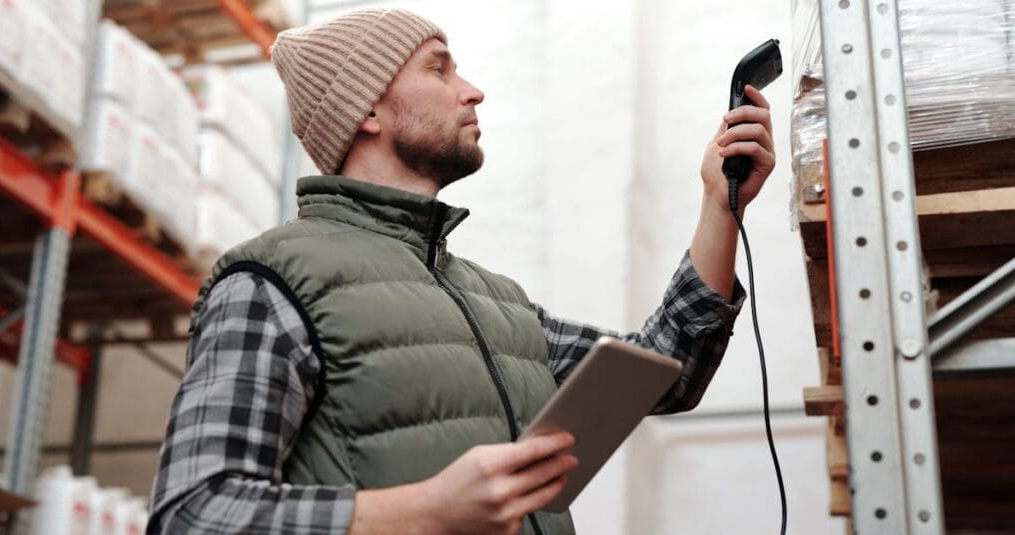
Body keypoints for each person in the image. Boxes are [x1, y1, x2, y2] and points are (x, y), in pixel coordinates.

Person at [148, 8, 775, 535]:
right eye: (438, 68)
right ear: (368, 110)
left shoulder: (493, 301)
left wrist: (721, 205)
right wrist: (422, 510)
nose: (471, 90)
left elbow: (667, 372)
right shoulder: (269, 283)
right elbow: (193, 513)